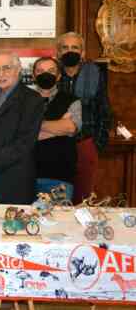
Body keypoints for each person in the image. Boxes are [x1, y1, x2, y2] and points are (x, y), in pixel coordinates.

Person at [0, 51, 45, 204]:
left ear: (18, 70)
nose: (1, 73)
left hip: (13, 183)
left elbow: (24, 144)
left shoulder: (32, 100)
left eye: (6, 68)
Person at [56, 31, 113, 203]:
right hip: (56, 145)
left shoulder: (94, 74)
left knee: (83, 200)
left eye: (75, 47)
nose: (69, 51)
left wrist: (96, 145)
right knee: (57, 199)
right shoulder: (51, 75)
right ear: (58, 52)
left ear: (83, 53)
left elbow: (104, 109)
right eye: (65, 47)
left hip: (85, 144)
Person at [33, 56, 81, 198]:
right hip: (26, 176)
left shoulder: (72, 100)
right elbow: (19, 134)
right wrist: (59, 126)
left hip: (60, 177)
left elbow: (71, 128)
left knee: (58, 219)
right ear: (34, 75)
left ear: (59, 76)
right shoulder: (22, 100)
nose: (45, 74)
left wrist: (33, 126)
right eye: (40, 71)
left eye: (51, 71)